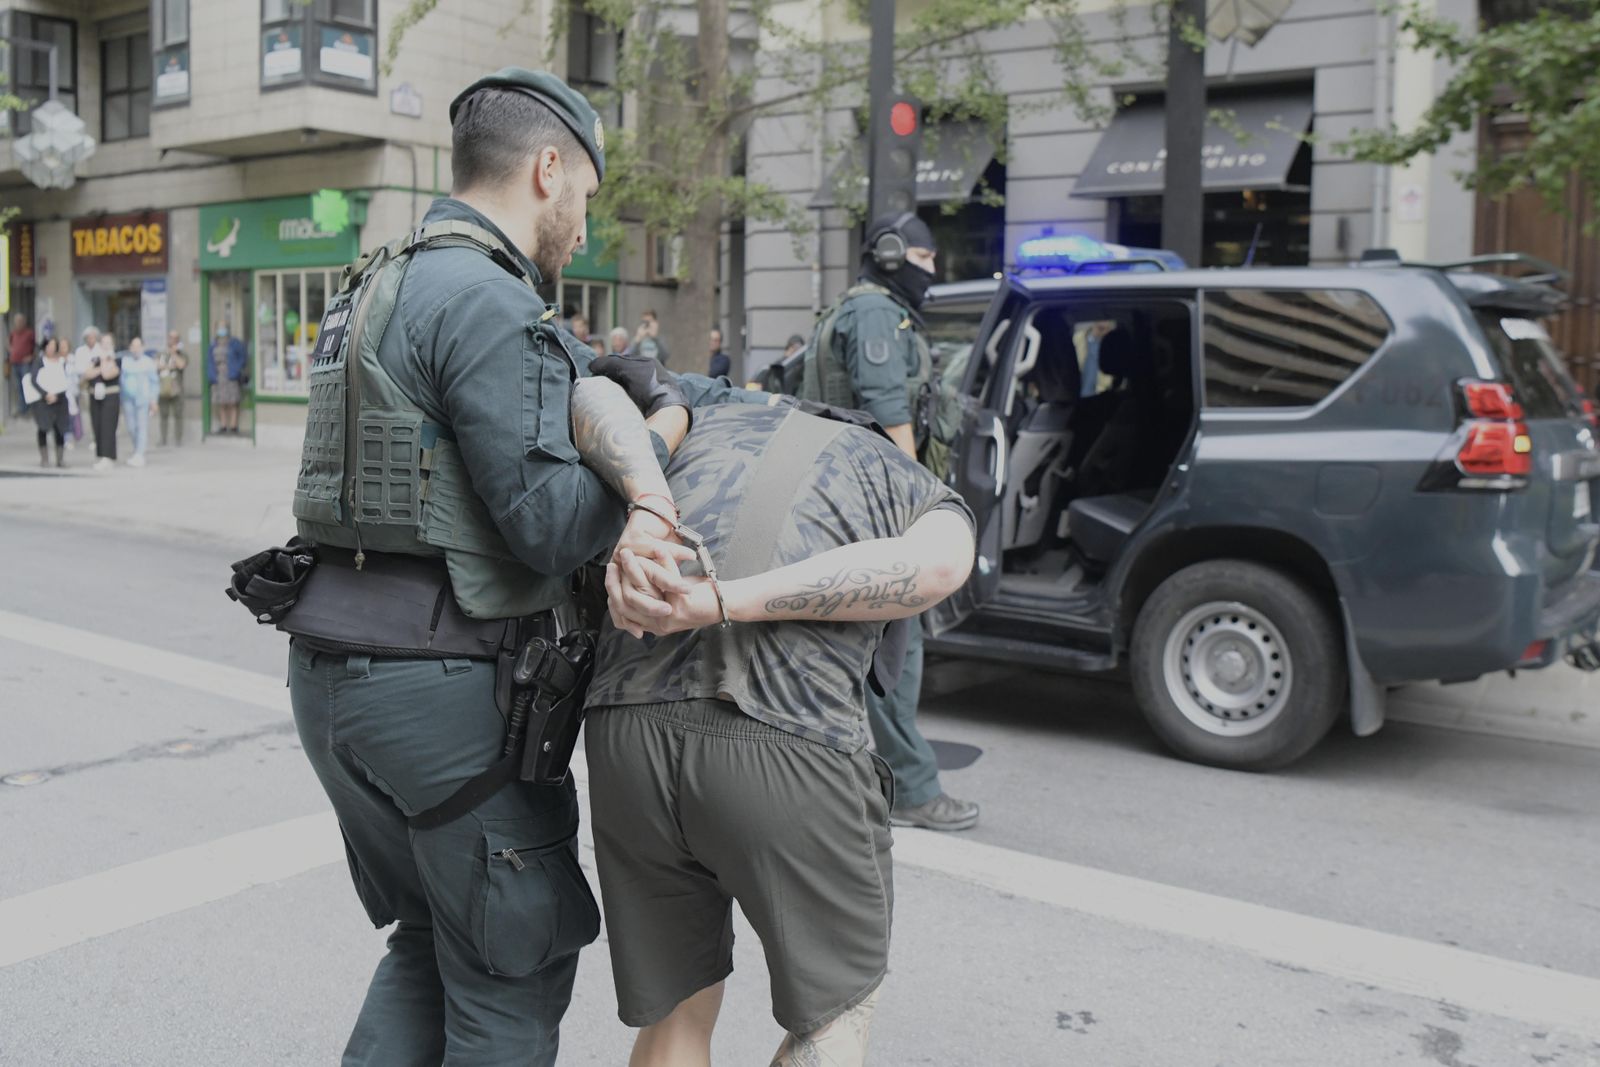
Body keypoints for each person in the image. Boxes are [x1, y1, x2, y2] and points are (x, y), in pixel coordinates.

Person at [279, 67, 760, 1066]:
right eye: (584, 197)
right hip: (446, 690)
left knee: (428, 939)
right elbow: (549, 526)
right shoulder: (489, 300)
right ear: (548, 169)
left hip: (333, 674)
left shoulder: (378, 277)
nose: (582, 226)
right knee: (510, 972)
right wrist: (659, 430)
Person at [583, 401, 976, 1066]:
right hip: (787, 735)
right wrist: (726, 599)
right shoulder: (907, 477)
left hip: (626, 726)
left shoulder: (701, 421)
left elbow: (590, 394)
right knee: (833, 1015)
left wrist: (648, 502)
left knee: (677, 1010)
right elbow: (939, 568)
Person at [797, 211, 978, 832]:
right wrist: (921, 506)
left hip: (845, 498)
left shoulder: (860, 306)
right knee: (900, 649)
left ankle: (840, 775)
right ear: (897, 255)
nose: (932, 273)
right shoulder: (876, 313)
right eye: (927, 261)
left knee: (855, 646)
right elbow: (889, 411)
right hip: (875, 505)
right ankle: (912, 790)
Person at [27, 337, 71, 468]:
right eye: (49, 345)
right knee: (43, 427)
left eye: (53, 345)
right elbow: (34, 379)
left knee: (60, 428)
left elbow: (67, 379)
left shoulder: (62, 361)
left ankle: (60, 459)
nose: (51, 348)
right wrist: (46, 394)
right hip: (44, 400)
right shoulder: (39, 362)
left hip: (60, 400)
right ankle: (44, 458)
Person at [81, 332, 122, 471]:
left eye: (107, 343)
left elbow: (106, 373)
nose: (104, 346)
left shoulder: (116, 360)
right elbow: (87, 373)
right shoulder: (96, 359)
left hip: (110, 397)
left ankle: (108, 456)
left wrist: (104, 360)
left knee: (107, 427)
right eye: (102, 343)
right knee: (97, 426)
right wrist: (99, 364)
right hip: (95, 396)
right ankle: (100, 455)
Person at [119, 337, 159, 467]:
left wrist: (153, 400)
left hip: (143, 399)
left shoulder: (148, 363)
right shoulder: (125, 362)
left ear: (143, 347)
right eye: (133, 346)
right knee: (131, 426)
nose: (136, 349)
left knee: (141, 426)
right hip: (127, 399)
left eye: (138, 346)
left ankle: (139, 453)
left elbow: (154, 383)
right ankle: (137, 449)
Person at [207, 321, 247, 435]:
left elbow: (242, 357)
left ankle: (234, 426)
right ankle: (223, 425)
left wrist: (237, 369)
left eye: (223, 327)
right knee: (221, 402)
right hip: (218, 376)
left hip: (231, 376)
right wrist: (212, 374)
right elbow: (209, 361)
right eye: (219, 327)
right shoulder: (213, 344)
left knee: (232, 401)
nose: (221, 330)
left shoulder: (234, 343)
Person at [158, 330, 188, 446]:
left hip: (177, 389)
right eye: (171, 337)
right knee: (163, 415)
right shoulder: (161, 353)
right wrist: (170, 366)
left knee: (178, 415)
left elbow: (181, 365)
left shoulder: (182, 353)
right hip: (163, 388)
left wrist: (174, 354)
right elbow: (157, 365)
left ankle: (178, 439)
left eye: (175, 338)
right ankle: (163, 439)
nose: (172, 340)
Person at [9, 312, 35, 417]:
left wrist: (31, 356)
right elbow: (9, 343)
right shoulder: (13, 333)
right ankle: (22, 409)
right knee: (18, 387)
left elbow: (36, 347)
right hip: (15, 363)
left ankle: (29, 409)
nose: (18, 323)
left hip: (25, 364)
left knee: (27, 386)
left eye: (20, 321)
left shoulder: (29, 333)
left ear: (24, 322)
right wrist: (12, 351)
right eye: (16, 321)